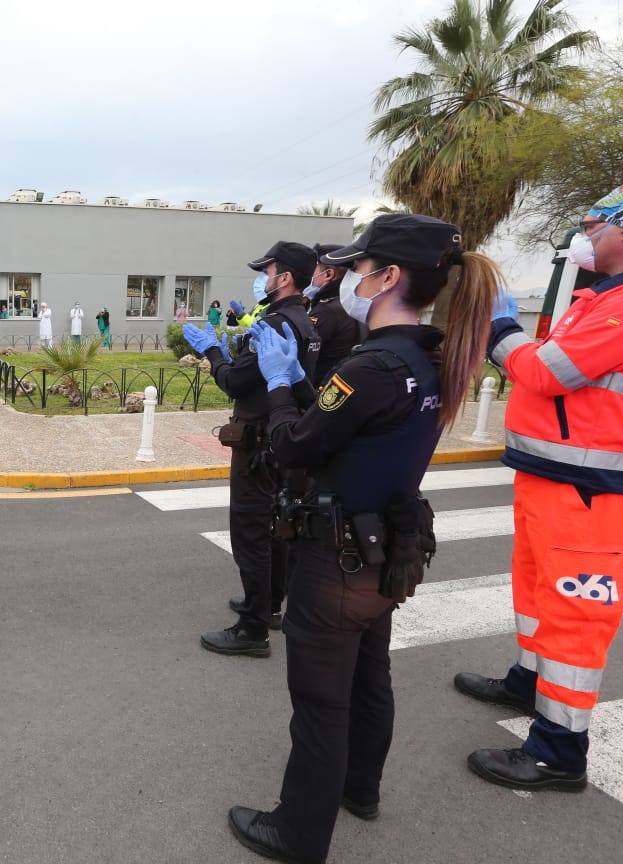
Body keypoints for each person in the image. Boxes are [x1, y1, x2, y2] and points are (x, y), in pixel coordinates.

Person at [227, 214, 499, 864]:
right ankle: (360, 789)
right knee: (370, 678)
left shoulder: (374, 366)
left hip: (337, 558)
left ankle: (297, 832)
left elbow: (296, 445)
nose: (345, 279)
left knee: (321, 704)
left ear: (387, 277)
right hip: (384, 550)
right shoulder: (432, 355)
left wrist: (281, 381)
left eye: (355, 268)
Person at [457, 182, 623, 792]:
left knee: (575, 611)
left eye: (597, 223)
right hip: (556, 474)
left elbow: (548, 370)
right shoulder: (605, 296)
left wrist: (500, 331)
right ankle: (528, 681)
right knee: (537, 589)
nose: (586, 234)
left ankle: (558, 750)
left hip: (591, 485)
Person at [183, 241, 320, 657]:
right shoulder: (303, 320)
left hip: (259, 444)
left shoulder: (278, 323)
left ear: (286, 278)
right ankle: (269, 605)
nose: (264, 277)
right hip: (280, 437)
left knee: (250, 533)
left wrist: (211, 351)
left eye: (268, 270)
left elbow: (236, 383)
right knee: (274, 528)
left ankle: (252, 628)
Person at [307, 244, 366, 386]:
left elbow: (303, 356)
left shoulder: (326, 310)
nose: (309, 276)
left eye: (312, 270)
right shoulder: (352, 304)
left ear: (328, 274)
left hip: (318, 389)